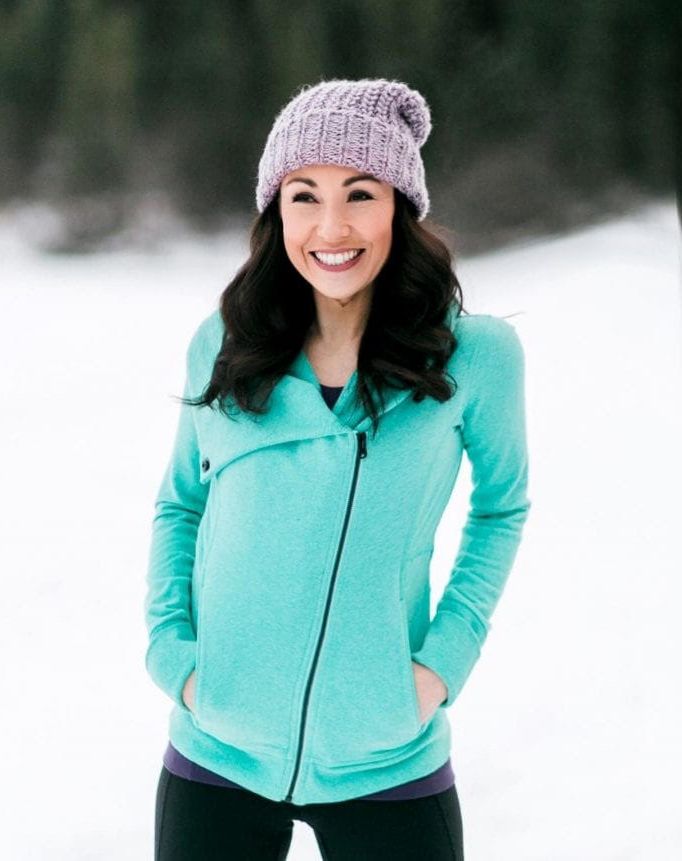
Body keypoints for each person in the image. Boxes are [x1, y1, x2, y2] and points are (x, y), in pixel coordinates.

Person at [144, 77, 532, 860]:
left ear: (400, 206)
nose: (331, 226)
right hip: (215, 750)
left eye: (360, 193)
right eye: (303, 195)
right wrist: (174, 656)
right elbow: (180, 504)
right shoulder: (226, 344)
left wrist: (438, 667)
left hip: (388, 758)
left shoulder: (475, 357)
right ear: (275, 210)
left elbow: (502, 506)